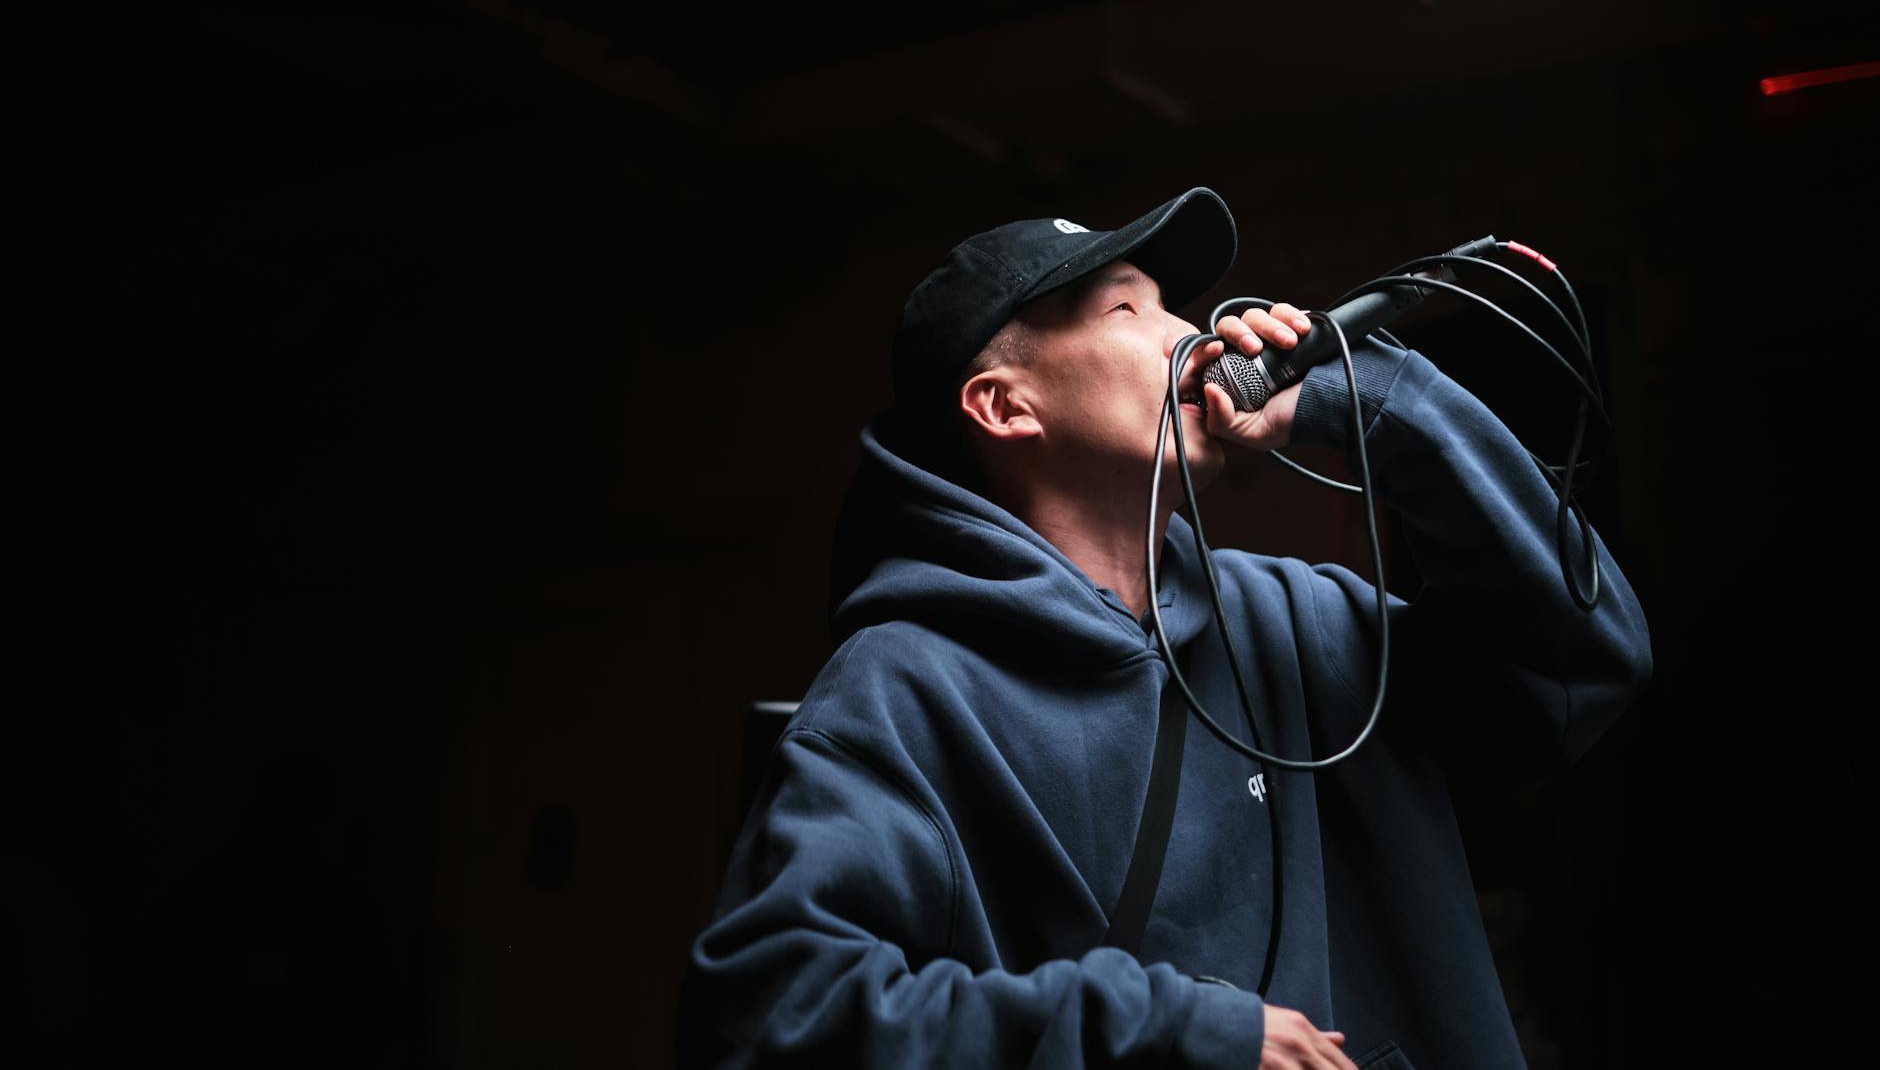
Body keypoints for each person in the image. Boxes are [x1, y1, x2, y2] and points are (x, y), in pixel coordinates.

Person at [676, 187, 1653, 1068]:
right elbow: (765, 1016)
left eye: (1170, 303)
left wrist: (1387, 406)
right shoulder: (904, 684)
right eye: (1125, 308)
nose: (1189, 334)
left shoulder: (1293, 620)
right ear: (1003, 404)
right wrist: (1160, 1031)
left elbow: (1580, 659)